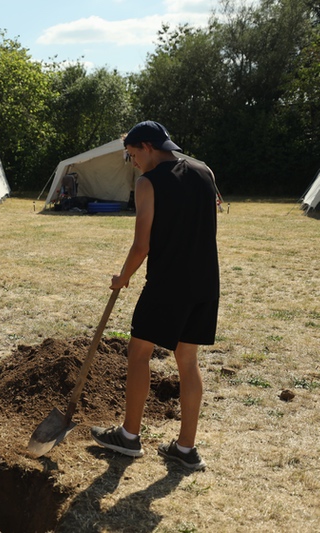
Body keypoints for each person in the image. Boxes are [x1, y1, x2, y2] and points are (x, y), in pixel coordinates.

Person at [90, 121, 219, 471]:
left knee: (138, 353)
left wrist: (123, 277)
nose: (133, 163)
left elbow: (141, 244)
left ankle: (129, 436)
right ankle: (185, 448)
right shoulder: (205, 171)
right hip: (206, 282)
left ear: (147, 146)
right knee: (187, 360)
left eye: (132, 155)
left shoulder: (148, 183)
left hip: (168, 283)